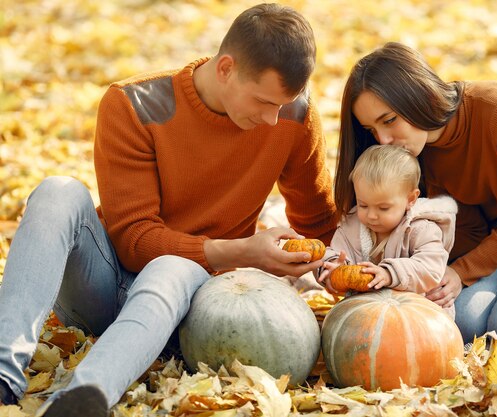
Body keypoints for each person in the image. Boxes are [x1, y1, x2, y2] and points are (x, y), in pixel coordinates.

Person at [0, 4, 337, 416]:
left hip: (192, 307)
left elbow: (320, 224)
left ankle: (82, 398)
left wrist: (378, 269)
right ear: (226, 68)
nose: (272, 120)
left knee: (172, 266)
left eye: (283, 105)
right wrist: (243, 251)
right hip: (103, 285)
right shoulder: (134, 104)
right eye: (264, 101)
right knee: (57, 191)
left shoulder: (294, 117)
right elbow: (134, 240)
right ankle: (3, 374)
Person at [334, 42, 497, 344]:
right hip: (495, 252)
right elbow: (465, 223)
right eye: (371, 129)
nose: (383, 139)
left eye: (389, 120)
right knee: (461, 321)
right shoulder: (419, 152)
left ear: (417, 95)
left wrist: (464, 271)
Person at [317, 144, 457, 316]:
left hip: (420, 314)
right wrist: (333, 271)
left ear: (411, 199)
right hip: (367, 314)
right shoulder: (351, 228)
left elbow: (430, 267)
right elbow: (336, 253)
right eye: (363, 205)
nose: (372, 215)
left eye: (383, 208)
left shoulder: (422, 228)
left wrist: (390, 274)